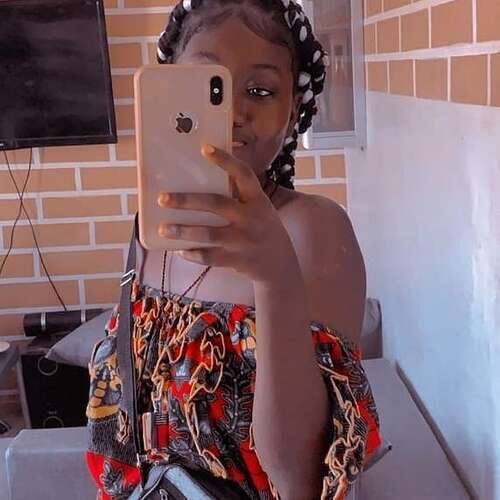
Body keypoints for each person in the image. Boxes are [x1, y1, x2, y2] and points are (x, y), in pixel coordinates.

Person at [86, 1, 382, 498]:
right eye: (208, 89)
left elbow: (302, 481)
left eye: (260, 91)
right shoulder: (149, 232)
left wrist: (275, 277)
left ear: (293, 113)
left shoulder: (313, 230)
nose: (234, 112)